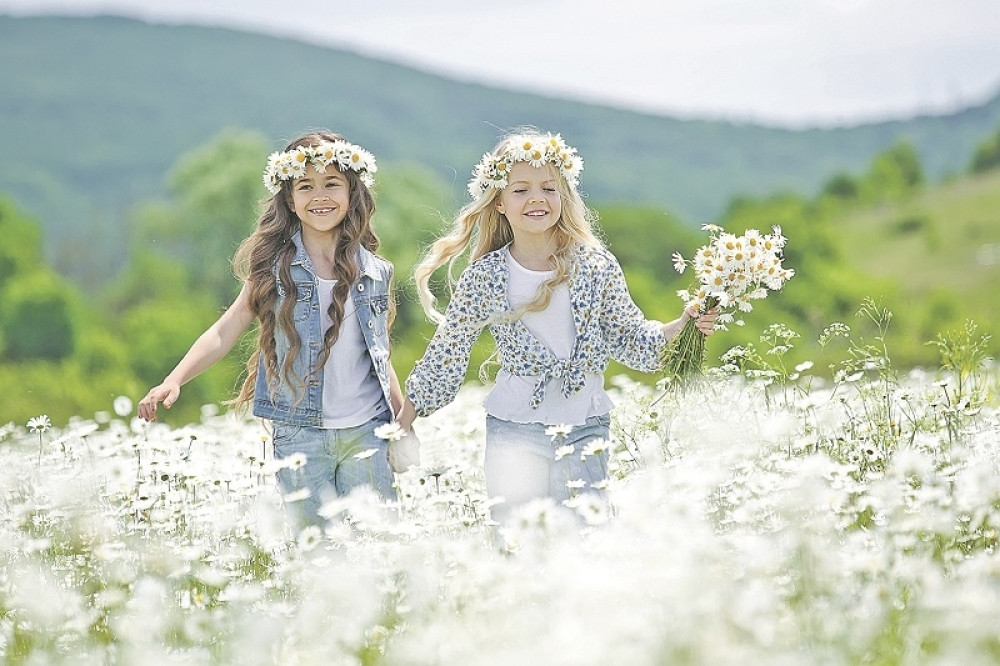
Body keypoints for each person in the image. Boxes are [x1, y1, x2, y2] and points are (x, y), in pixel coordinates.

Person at [397, 129, 716, 527]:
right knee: (516, 542)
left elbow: (631, 337)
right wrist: (406, 418)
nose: (537, 198)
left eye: (549, 187)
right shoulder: (486, 277)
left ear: (563, 196)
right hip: (514, 428)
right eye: (521, 190)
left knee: (582, 542)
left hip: (586, 423)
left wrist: (682, 326)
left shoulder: (594, 266)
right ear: (498, 202)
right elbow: (449, 350)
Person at [137, 131, 416, 527]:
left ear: (353, 191)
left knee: (378, 546)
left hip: (368, 431)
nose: (320, 196)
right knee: (314, 556)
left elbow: (378, 353)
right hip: (300, 436)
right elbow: (227, 327)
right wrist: (175, 379)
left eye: (332, 184)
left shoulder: (375, 271)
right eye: (306, 186)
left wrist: (402, 422)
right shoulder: (274, 268)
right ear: (289, 198)